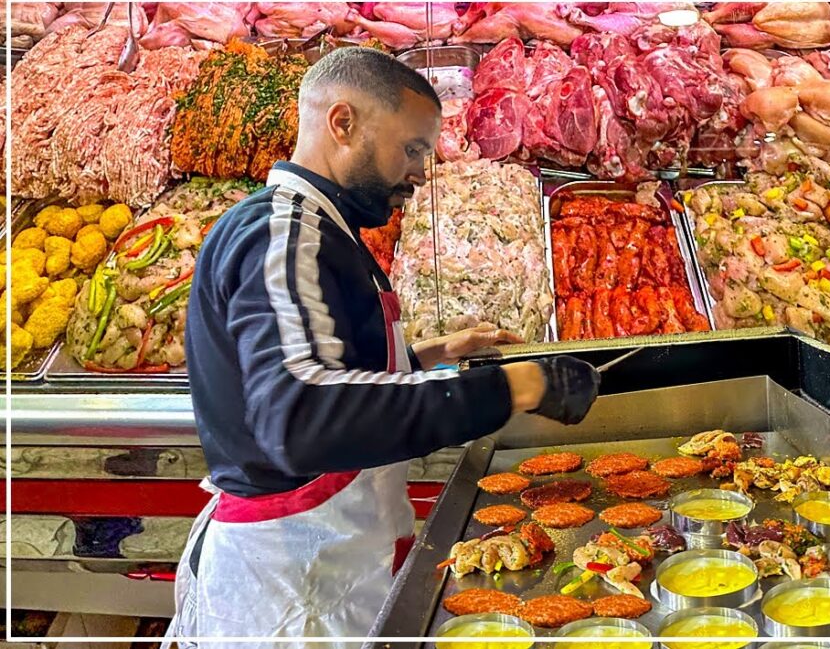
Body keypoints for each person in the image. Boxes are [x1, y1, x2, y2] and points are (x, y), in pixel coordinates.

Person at [165, 47, 600, 645]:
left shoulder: (319, 229)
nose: (421, 171)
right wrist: (515, 388)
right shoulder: (285, 236)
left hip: (330, 555)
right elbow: (298, 415)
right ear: (342, 123)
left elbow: (324, 366)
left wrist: (430, 355)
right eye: (413, 149)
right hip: (291, 585)